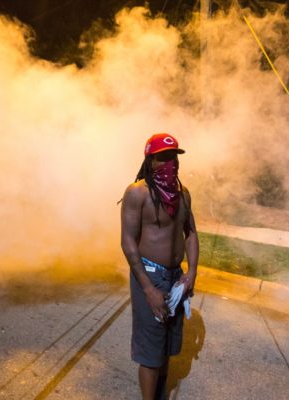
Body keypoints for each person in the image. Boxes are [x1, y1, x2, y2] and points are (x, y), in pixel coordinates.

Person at [120, 133, 199, 400]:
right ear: (150, 160)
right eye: (164, 157)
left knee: (167, 347)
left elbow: (191, 234)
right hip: (150, 275)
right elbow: (128, 242)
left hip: (176, 277)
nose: (171, 163)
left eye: (174, 157)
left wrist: (191, 274)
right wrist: (148, 289)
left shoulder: (183, 193)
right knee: (151, 354)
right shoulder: (137, 192)